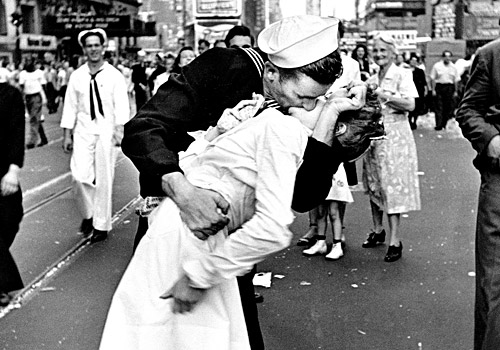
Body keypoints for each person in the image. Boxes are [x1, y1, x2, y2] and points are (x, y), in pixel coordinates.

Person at [121, 15, 366, 350]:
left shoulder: (297, 111)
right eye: (303, 95)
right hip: (178, 227)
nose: (307, 105)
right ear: (272, 73)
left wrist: (331, 114)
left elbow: (302, 196)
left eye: (317, 99)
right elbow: (143, 128)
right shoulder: (224, 68)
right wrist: (185, 193)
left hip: (228, 251)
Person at [60, 28, 130, 243]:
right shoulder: (77, 76)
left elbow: (122, 105)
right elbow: (70, 106)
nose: (93, 49)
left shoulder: (114, 75)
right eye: (89, 46)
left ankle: (101, 224)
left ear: (103, 48)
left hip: (106, 131)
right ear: (84, 49)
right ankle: (89, 214)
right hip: (83, 130)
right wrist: (67, 134)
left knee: (104, 179)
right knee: (79, 176)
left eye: (96, 45)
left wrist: (120, 130)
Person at [297, 20, 361, 249]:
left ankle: (338, 232)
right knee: (311, 175)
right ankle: (315, 227)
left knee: (338, 186)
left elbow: (356, 96)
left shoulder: (351, 65)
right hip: (313, 125)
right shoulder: (309, 62)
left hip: (340, 130)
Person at [455, 37, 500, 350]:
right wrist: (491, 139)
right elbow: (468, 109)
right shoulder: (491, 55)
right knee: (494, 280)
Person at [361, 34, 420, 262]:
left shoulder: (402, 74)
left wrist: (383, 95)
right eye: (375, 51)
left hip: (395, 136)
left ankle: (395, 240)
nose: (379, 55)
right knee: (374, 183)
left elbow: (410, 104)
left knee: (392, 186)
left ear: (393, 53)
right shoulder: (373, 76)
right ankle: (378, 230)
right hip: (374, 135)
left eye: (383, 51)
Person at [0, 67, 25, 307]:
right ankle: (4, 283)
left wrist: (13, 170)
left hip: (3, 170)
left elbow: (17, 132)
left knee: (11, 219)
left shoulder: (10, 94)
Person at [18, 59, 48, 149]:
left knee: (34, 118)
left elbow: (43, 85)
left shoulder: (39, 73)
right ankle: (43, 138)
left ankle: (32, 141)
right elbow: (21, 85)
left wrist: (44, 97)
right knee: (35, 118)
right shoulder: (23, 74)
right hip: (28, 97)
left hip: (36, 96)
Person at [430, 50, 460, 131]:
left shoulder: (454, 67)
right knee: (439, 106)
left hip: (449, 88)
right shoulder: (437, 66)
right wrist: (433, 90)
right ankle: (438, 125)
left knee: (448, 107)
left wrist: (456, 91)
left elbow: (456, 80)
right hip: (440, 87)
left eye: (449, 56)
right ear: (443, 57)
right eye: (446, 56)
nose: (447, 58)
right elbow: (433, 78)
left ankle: (444, 123)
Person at [408, 54, 428, 130]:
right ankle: (409, 120)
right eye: (412, 60)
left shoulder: (420, 71)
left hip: (418, 91)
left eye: (415, 61)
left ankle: (414, 121)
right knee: (410, 106)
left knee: (417, 106)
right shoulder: (406, 71)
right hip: (409, 91)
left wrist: (425, 90)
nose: (413, 62)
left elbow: (424, 82)